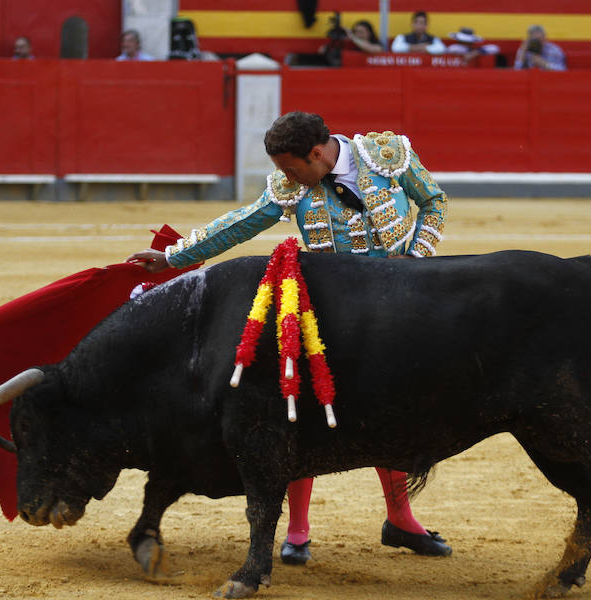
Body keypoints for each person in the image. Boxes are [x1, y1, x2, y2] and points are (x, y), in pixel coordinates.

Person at [127, 111, 450, 566]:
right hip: (327, 312)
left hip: (394, 311)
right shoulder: (292, 184)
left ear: (317, 154)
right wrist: (174, 256)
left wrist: (417, 261)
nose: (285, 177)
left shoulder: (388, 154)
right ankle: (297, 530)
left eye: (291, 168)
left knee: (392, 416)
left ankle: (401, 519)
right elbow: (243, 222)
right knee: (298, 412)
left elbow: (434, 202)